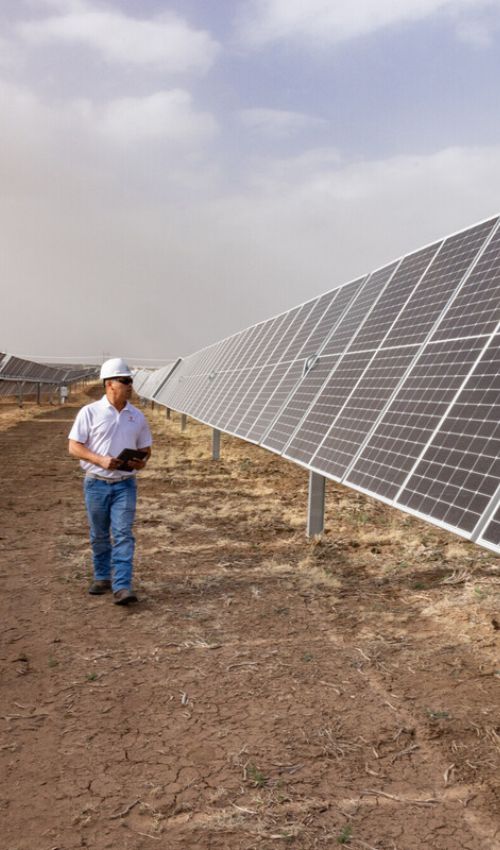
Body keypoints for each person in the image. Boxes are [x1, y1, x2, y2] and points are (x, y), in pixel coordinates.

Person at [68, 357, 152, 605]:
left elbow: (145, 449)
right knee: (99, 534)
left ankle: (122, 586)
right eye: (124, 380)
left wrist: (141, 462)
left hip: (125, 483)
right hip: (96, 482)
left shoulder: (137, 416)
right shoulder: (90, 412)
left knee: (123, 533)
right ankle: (102, 576)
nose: (129, 385)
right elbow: (74, 447)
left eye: (130, 381)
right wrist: (99, 460)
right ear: (109, 384)